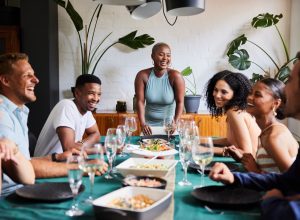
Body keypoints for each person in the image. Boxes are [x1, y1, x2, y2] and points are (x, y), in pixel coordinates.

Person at [0, 53, 107, 196]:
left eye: (34, 75)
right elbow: (25, 171)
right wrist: (81, 167)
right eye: (27, 75)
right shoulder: (2, 115)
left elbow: (23, 161)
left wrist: (57, 157)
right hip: (10, 197)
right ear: (6, 80)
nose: (36, 80)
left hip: (23, 188)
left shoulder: (19, 112)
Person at [209, 51, 300, 220]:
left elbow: (291, 189)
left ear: (276, 103)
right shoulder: (266, 133)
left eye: (291, 81)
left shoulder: (274, 136)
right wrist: (235, 178)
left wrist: (269, 196)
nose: (286, 87)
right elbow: (289, 180)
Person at [227, 78, 298, 173]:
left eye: (257, 95)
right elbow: (271, 170)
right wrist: (243, 160)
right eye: (251, 93)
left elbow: (292, 181)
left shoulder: (273, 137)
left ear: (276, 103)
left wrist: (254, 170)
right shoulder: (267, 131)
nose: (249, 97)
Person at [34, 74, 101, 157]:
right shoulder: (66, 106)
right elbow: (69, 148)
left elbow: (96, 134)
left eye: (99, 94)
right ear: (77, 93)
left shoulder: (86, 110)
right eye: (91, 93)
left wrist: (81, 144)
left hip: (66, 161)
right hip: (47, 164)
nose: (96, 98)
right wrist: (100, 150)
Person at [205, 70, 261, 156]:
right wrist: (201, 141)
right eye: (215, 90)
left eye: (224, 92)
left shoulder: (234, 113)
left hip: (252, 167)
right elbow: (230, 141)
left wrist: (205, 150)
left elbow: (247, 152)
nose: (217, 95)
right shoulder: (234, 110)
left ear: (235, 94)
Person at [134, 42, 185, 135]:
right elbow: (140, 101)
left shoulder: (175, 76)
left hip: (169, 127)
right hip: (148, 127)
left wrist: (175, 122)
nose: (165, 58)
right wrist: (143, 124)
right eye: (161, 54)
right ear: (152, 56)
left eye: (168, 55)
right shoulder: (142, 75)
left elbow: (180, 102)